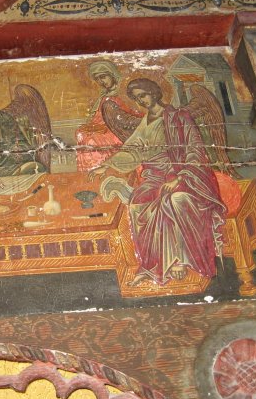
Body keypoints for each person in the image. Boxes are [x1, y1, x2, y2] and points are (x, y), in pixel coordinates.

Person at [89, 78, 226, 286]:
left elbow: (195, 149)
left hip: (184, 174)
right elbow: (133, 150)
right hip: (154, 176)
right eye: (136, 98)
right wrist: (107, 166)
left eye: (143, 95)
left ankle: (179, 260)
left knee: (174, 200)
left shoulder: (179, 116)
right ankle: (151, 265)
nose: (141, 101)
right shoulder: (145, 122)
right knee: (137, 203)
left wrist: (180, 177)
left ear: (153, 92)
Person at [76, 61, 142, 171]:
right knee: (82, 133)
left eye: (103, 77)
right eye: (97, 79)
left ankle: (105, 168)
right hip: (105, 127)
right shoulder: (104, 95)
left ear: (112, 74)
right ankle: (91, 171)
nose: (100, 81)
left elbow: (130, 115)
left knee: (91, 139)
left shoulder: (122, 93)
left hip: (118, 130)